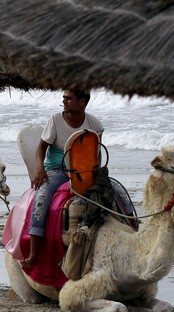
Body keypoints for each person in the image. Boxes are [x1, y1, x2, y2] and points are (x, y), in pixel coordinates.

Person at [22, 89, 103, 268]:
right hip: (57, 170)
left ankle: (132, 226)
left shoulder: (94, 124)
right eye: (63, 98)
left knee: (115, 193)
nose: (64, 101)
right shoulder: (55, 120)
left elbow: (96, 153)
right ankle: (34, 253)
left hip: (83, 170)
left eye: (68, 98)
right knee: (41, 199)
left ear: (82, 102)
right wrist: (40, 169)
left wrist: (99, 175)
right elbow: (41, 148)